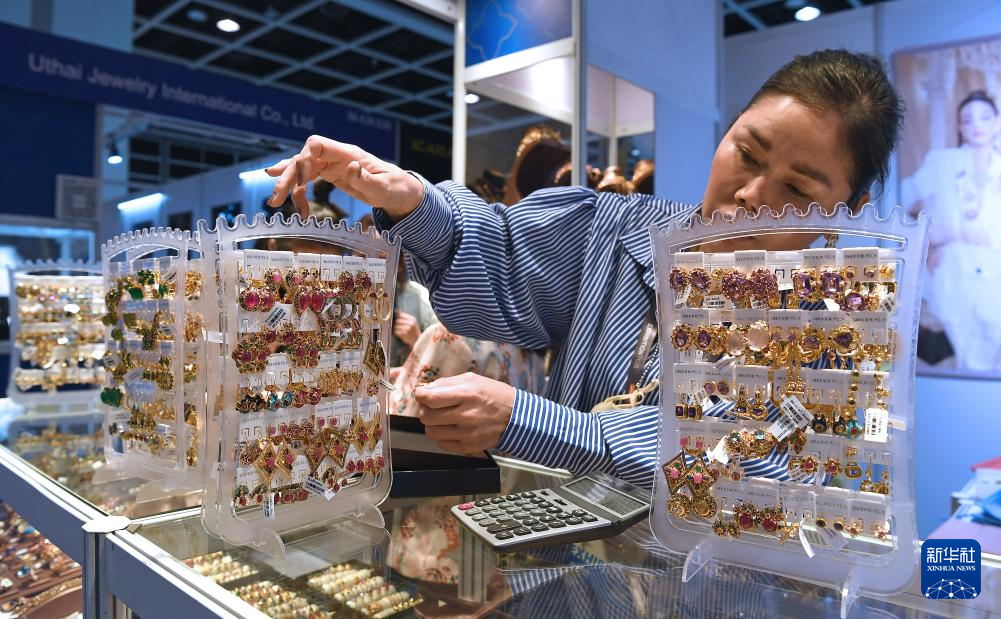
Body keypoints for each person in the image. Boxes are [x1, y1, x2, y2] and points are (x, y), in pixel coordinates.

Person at [265, 50, 904, 489]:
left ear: (848, 212)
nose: (751, 194)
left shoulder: (833, 328)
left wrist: (535, 424)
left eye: (796, 189)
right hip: (571, 578)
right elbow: (501, 255)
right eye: (747, 153)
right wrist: (408, 198)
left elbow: (752, 464)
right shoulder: (616, 231)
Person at [902, 90, 1001, 371]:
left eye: (985, 117)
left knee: (990, 358)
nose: (977, 125)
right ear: (960, 127)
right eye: (967, 120)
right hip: (951, 273)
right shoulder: (942, 162)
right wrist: (927, 243)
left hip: (994, 277)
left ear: (997, 122)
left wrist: (956, 233)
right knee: (958, 359)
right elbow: (901, 198)